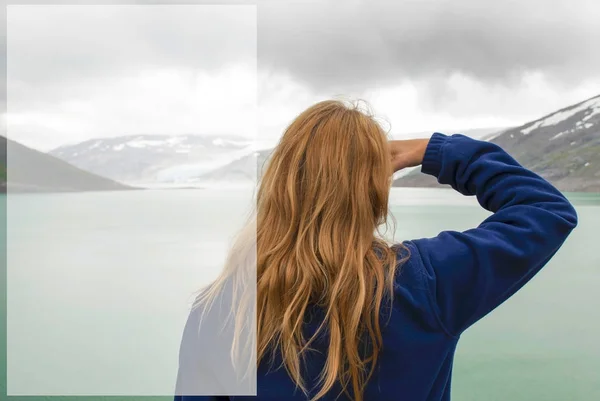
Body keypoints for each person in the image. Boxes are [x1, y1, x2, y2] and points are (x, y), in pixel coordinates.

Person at [174, 100, 578, 401]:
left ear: (280, 184)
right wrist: (431, 151)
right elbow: (544, 210)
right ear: (374, 190)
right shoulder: (426, 282)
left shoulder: (218, 307)